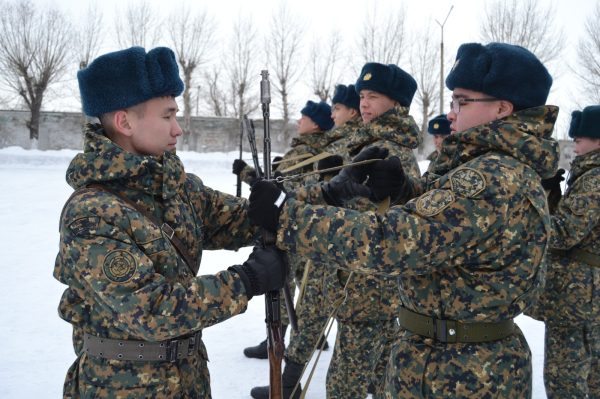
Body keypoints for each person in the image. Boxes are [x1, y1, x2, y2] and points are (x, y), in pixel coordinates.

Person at [247, 42, 559, 398]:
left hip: (462, 371)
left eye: (461, 101)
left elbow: (395, 241)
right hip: (446, 357)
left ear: (502, 109)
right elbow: (448, 227)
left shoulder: (491, 178)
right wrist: (402, 190)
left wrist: (289, 217)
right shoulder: (485, 167)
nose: (452, 113)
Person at [53, 46, 287, 398]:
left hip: (188, 378)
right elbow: (152, 308)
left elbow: (238, 219)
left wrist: (301, 199)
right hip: (123, 387)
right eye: (167, 116)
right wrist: (246, 280)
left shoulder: (175, 187)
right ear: (125, 122)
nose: (178, 130)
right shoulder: (91, 214)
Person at [527, 105, 600, 398]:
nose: (575, 146)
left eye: (581, 139)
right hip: (586, 296)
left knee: (565, 381)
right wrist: (553, 195)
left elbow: (565, 232)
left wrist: (533, 212)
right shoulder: (588, 176)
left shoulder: (594, 179)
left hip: (577, 299)